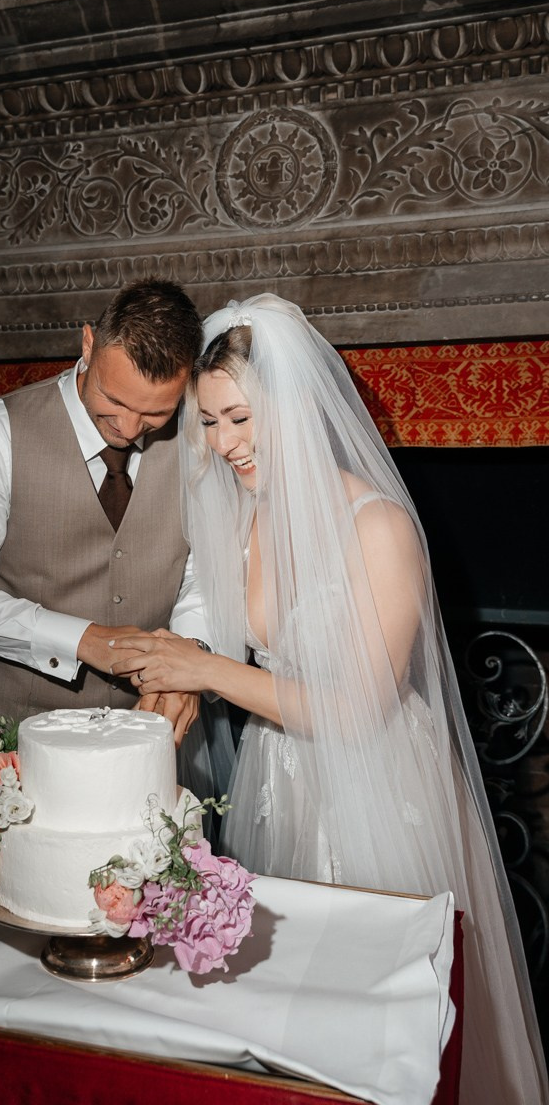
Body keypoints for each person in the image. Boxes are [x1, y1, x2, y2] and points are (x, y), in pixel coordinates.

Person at [110, 293, 548, 1104]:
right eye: (208, 424)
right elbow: (219, 635)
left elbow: (356, 708)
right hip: (279, 778)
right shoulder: (243, 517)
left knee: (385, 1035)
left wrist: (203, 673)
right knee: (288, 1032)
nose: (223, 444)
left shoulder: (377, 526)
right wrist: (173, 684)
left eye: (239, 418)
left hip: (378, 788)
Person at [0, 278, 222, 750]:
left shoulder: (202, 437)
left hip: (155, 746)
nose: (126, 428)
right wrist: (84, 639)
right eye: (114, 401)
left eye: (155, 415)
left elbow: (206, 572)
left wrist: (190, 656)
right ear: (88, 343)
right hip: (19, 750)